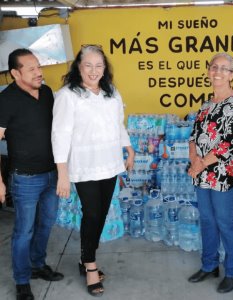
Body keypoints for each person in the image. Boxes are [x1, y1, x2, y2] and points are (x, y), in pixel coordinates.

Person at [51, 44, 135, 297]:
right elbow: (60, 135)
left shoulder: (111, 93)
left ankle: (86, 257)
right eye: (88, 65)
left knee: (99, 215)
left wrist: (128, 148)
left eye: (99, 66)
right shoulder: (68, 95)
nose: (94, 70)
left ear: (105, 69)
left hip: (109, 163)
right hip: (84, 165)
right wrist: (62, 172)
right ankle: (90, 267)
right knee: (92, 213)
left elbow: (118, 124)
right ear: (78, 66)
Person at [0, 49, 64, 300]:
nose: (39, 72)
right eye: (31, 69)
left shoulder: (47, 93)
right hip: (25, 178)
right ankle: (22, 280)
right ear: (15, 73)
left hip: (52, 174)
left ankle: (37, 265)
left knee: (46, 223)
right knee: (23, 230)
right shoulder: (6, 100)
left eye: (39, 66)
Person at [187, 53, 233, 294]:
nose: (218, 72)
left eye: (224, 69)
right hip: (202, 176)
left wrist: (201, 164)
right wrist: (194, 160)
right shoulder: (207, 104)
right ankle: (209, 265)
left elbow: (231, 143)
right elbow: (193, 136)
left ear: (232, 75)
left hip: (225, 176)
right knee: (207, 221)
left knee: (226, 223)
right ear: (209, 71)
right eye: (214, 67)